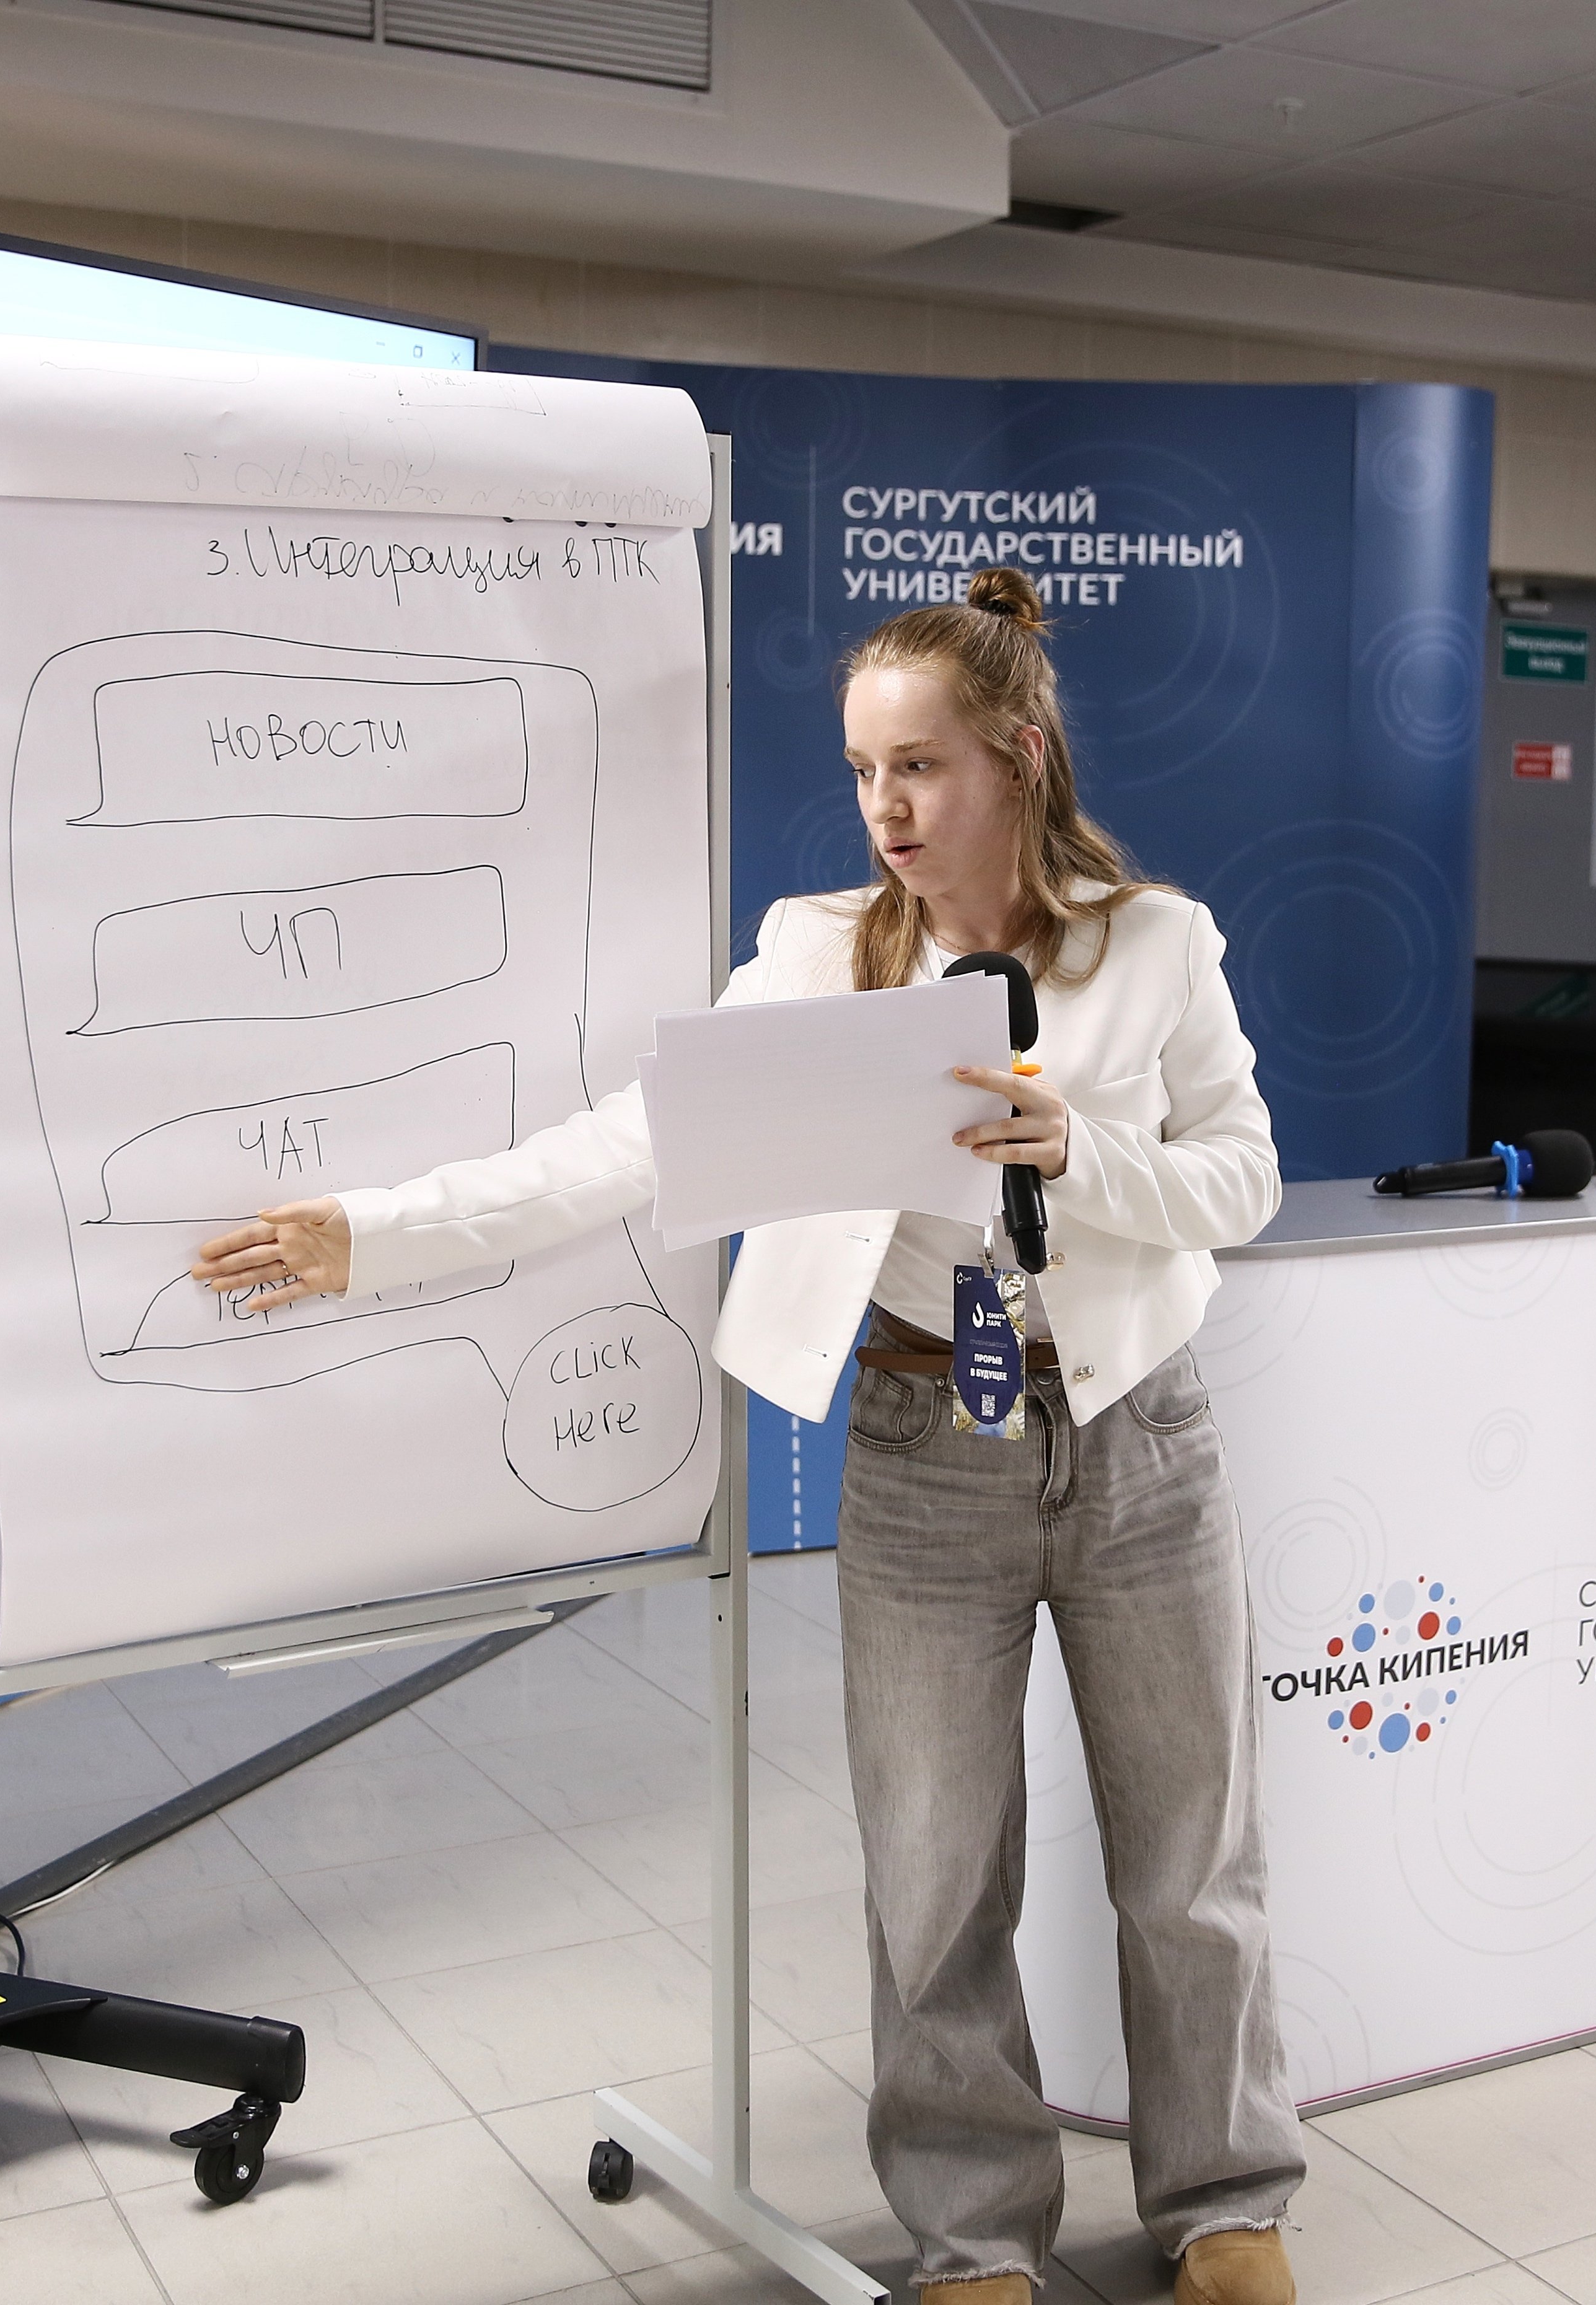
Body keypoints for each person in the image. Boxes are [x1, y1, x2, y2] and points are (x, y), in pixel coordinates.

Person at [193, 566, 1307, 2305]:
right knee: (932, 1877)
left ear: (1018, 756)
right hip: (922, 1441)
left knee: (1190, 1858)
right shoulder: (817, 956)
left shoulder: (1154, 944)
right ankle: (972, 2232)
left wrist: (1079, 1153)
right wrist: (377, 1232)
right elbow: (619, 1147)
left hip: (1138, 1439)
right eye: (864, 771)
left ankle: (1225, 2201)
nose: (885, 808)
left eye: (919, 766)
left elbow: (1241, 1181)